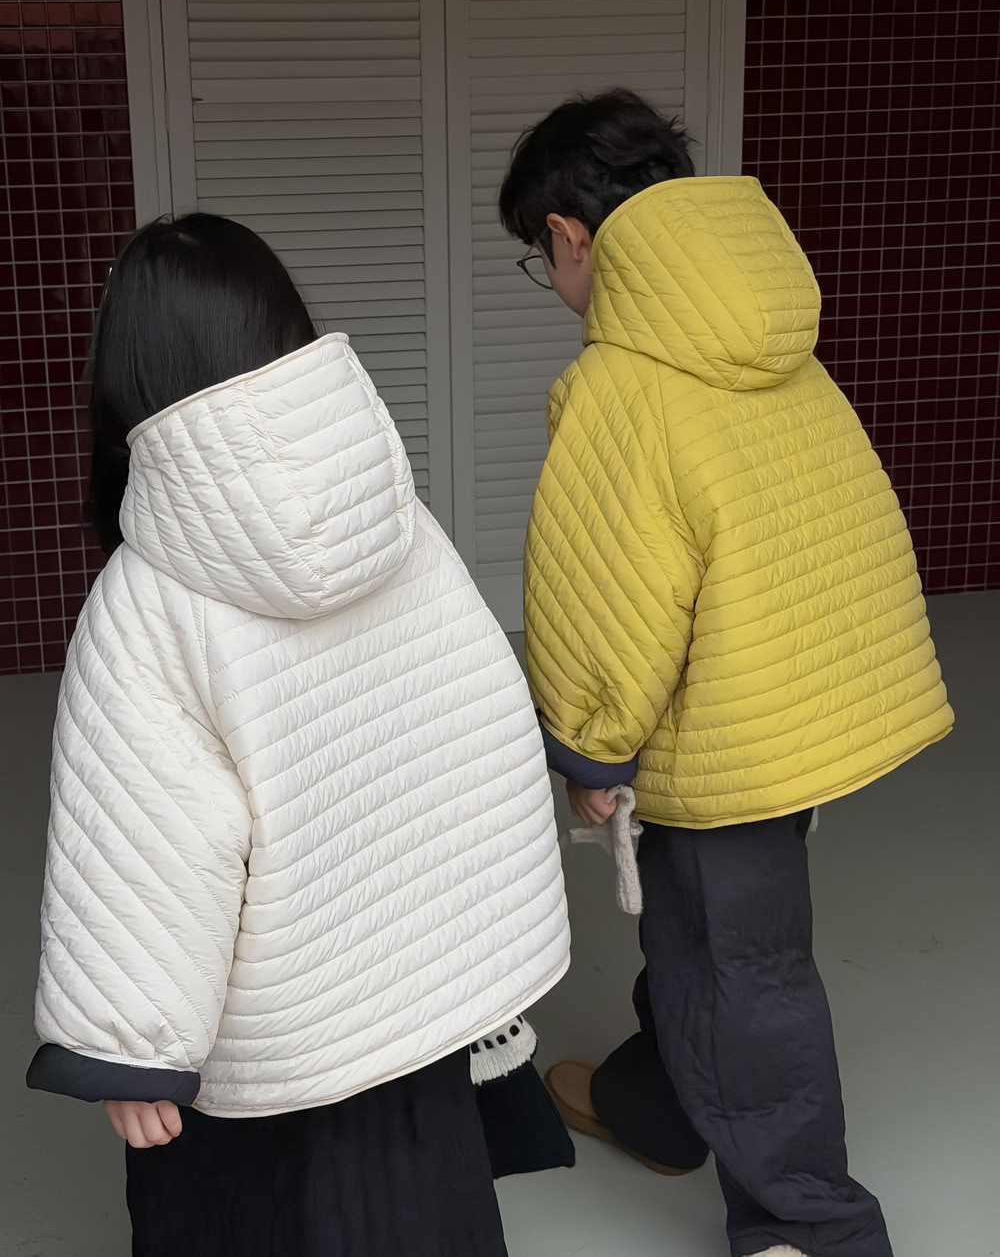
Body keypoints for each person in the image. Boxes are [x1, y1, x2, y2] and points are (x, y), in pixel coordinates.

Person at [26, 213, 572, 1257]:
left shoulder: (143, 602)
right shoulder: (397, 520)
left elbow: (154, 843)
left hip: (274, 1051)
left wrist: (130, 1050)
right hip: (417, 1005)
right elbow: (481, 726)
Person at [499, 89, 954, 1257]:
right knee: (704, 941)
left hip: (720, 731)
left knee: (743, 972)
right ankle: (655, 1107)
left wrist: (591, 746)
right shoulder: (767, 337)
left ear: (568, 236)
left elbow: (609, 591)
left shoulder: (623, 382)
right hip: (796, 699)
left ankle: (813, 1224)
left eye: (538, 258)